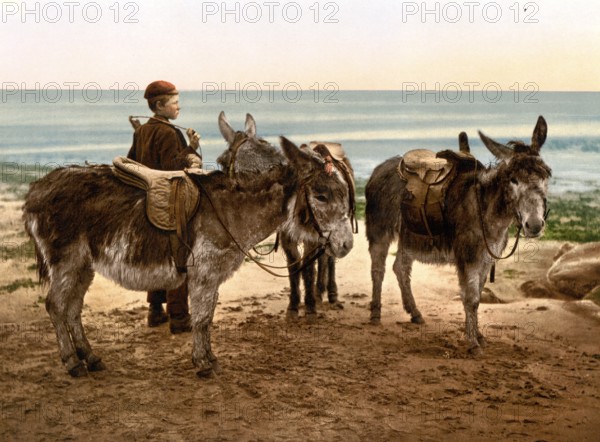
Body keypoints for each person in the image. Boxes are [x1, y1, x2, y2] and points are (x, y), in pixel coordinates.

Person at [127, 80, 201, 334]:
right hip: (171, 205)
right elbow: (174, 169)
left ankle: (155, 311)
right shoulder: (170, 133)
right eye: (175, 103)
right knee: (179, 257)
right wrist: (191, 147)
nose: (179, 107)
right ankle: (179, 317)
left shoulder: (142, 132)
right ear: (160, 106)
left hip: (149, 204)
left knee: (159, 256)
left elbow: (132, 163)